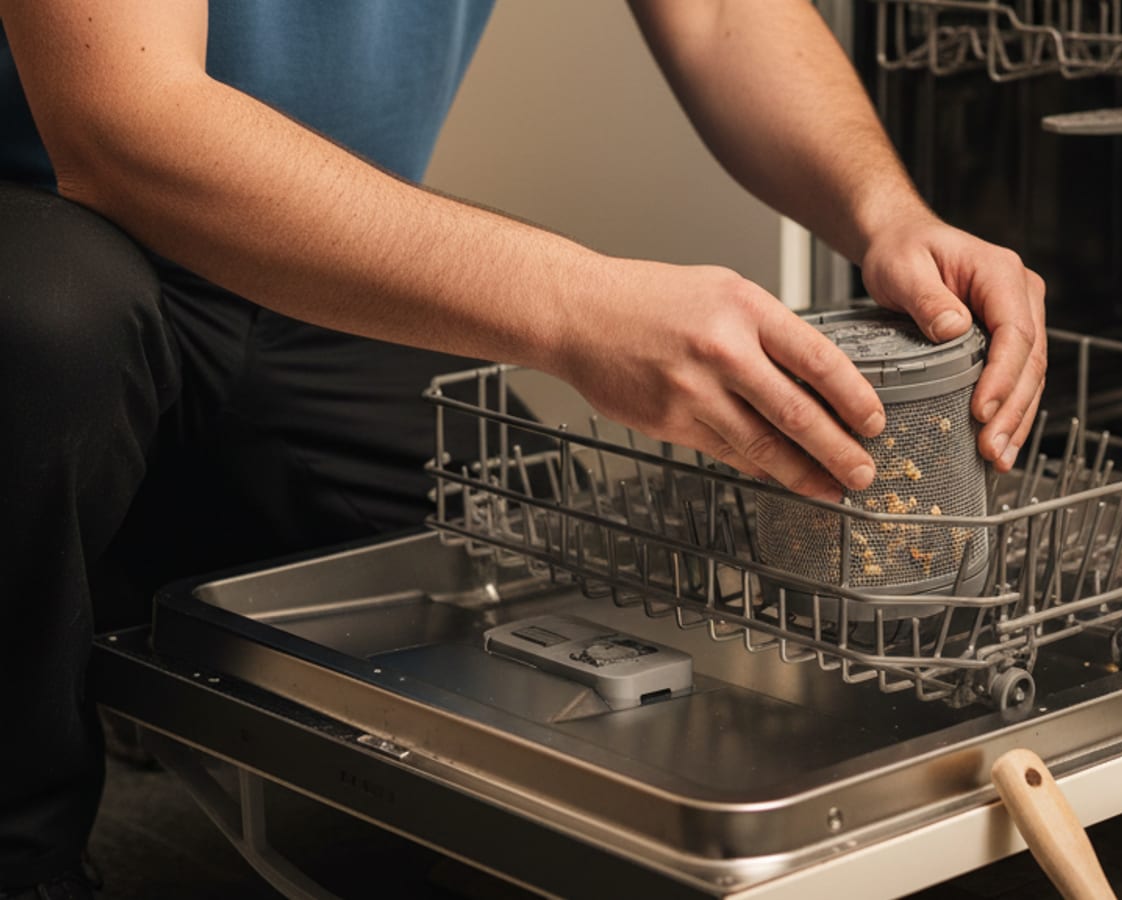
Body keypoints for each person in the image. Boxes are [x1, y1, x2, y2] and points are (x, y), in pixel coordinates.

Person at [0, 2, 1047, 895]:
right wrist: (575, 306)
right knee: (45, 327)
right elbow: (123, 126)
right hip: (47, 240)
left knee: (531, 625)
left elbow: (725, 16)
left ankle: (117, 604)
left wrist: (886, 210)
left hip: (315, 278)